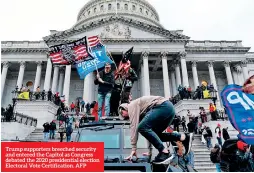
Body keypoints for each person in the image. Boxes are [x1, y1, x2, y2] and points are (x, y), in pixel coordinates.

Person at [118, 95, 193, 164]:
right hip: (169, 109)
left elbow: (134, 128)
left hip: (163, 106)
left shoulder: (131, 106)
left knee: (141, 127)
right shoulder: (140, 112)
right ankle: (183, 137)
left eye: (122, 113)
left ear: (124, 108)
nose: (123, 116)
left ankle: (164, 152)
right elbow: (150, 134)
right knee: (155, 134)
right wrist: (150, 151)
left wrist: (133, 148)